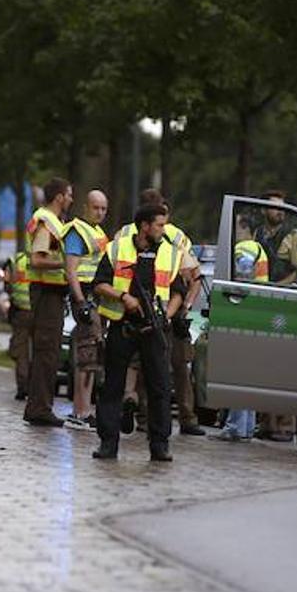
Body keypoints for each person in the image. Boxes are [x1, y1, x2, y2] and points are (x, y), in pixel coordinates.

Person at [92, 203, 184, 461]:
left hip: (154, 329)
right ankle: (108, 443)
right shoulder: (117, 247)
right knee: (112, 386)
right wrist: (123, 297)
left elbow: (179, 291)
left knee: (160, 388)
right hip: (123, 324)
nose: (163, 229)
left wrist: (166, 316)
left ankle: (159, 444)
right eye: (159, 224)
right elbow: (99, 283)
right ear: (144, 226)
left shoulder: (170, 252)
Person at [118, 189, 205, 437]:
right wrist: (184, 305)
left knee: (151, 367)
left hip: (144, 309)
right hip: (166, 310)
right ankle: (182, 418)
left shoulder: (127, 233)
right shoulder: (176, 236)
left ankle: (146, 416)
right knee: (175, 367)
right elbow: (195, 276)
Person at [23, 178, 74, 427]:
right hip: (46, 293)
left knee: (47, 351)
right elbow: (37, 260)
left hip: (49, 293)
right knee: (47, 352)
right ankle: (39, 408)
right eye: (69, 195)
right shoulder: (48, 223)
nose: (71, 200)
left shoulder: (51, 221)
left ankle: (39, 406)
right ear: (59, 197)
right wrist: (67, 264)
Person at [254, 190, 297, 441]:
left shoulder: (294, 236)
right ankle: (266, 421)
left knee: (284, 363)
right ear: (263, 210)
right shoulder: (257, 235)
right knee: (262, 362)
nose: (280, 211)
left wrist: (280, 288)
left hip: (284, 301)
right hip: (262, 301)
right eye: (274, 207)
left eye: (282, 207)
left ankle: (285, 425)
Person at [62, 189, 110, 427]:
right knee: (86, 352)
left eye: (103, 209)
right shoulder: (76, 231)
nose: (100, 212)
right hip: (85, 296)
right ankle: (80, 412)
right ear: (85, 208)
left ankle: (84, 409)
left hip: (96, 296)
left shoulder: (98, 232)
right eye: (96, 208)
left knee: (93, 354)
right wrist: (80, 301)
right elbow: (71, 270)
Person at [211, 224, 263, 442]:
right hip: (257, 311)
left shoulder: (244, 248)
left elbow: (241, 275)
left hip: (244, 310)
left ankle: (234, 426)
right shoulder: (259, 247)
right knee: (248, 373)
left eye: (238, 226)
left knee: (237, 371)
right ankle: (246, 426)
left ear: (245, 228)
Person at [4, 248, 32, 401]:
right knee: (41, 351)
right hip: (41, 311)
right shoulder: (51, 259)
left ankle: (23, 387)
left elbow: (7, 283)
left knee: (20, 351)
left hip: (21, 312)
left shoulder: (16, 260)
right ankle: (35, 388)